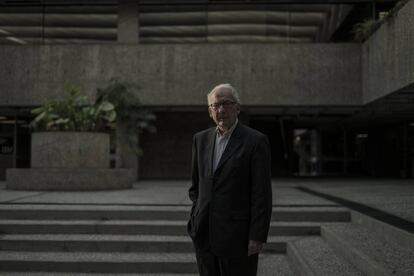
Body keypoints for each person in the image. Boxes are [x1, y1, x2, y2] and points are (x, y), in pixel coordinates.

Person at [187, 83, 272, 276]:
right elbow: (196, 187)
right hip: (204, 234)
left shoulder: (256, 141)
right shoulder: (200, 140)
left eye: (227, 103)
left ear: (238, 108)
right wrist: (195, 219)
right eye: (215, 105)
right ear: (210, 111)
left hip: (238, 237)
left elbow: (262, 193)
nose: (221, 109)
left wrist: (257, 236)